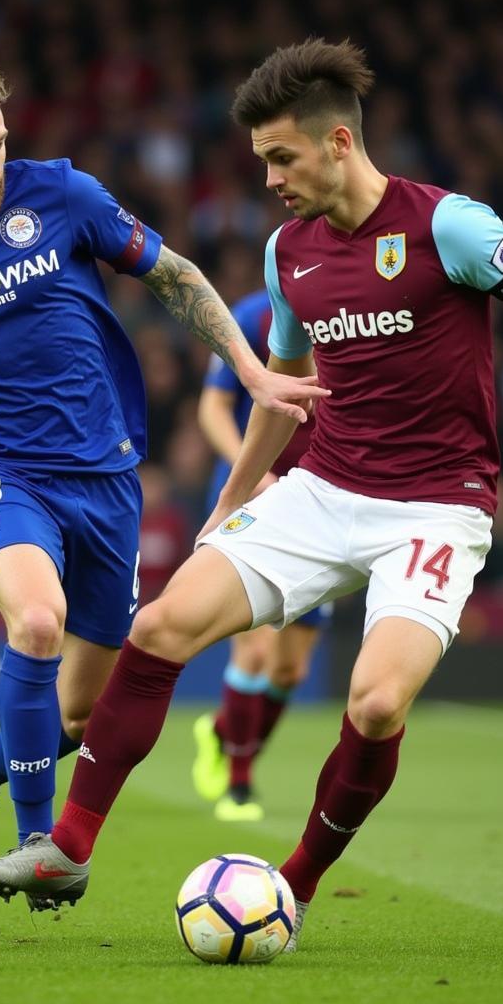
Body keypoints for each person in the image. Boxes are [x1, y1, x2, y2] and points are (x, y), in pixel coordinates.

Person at [0, 38, 503, 951]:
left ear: (339, 142)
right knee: (159, 629)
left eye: (281, 157)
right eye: (262, 159)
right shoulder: (287, 252)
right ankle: (67, 846)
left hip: (435, 506)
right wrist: (229, 504)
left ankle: (292, 883)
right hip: (322, 487)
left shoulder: (449, 227)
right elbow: (283, 386)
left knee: (376, 705)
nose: (268, 178)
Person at [0, 48, 326, 895]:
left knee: (79, 716)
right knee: (36, 624)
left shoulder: (60, 193)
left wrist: (250, 371)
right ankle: (40, 846)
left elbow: (173, 274)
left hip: (105, 477)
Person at [192, 287, 331, 822]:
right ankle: (239, 785)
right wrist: (254, 473)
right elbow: (213, 406)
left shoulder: (360, 308)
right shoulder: (253, 317)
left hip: (319, 498)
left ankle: (225, 731)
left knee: (290, 670)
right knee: (252, 651)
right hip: (252, 490)